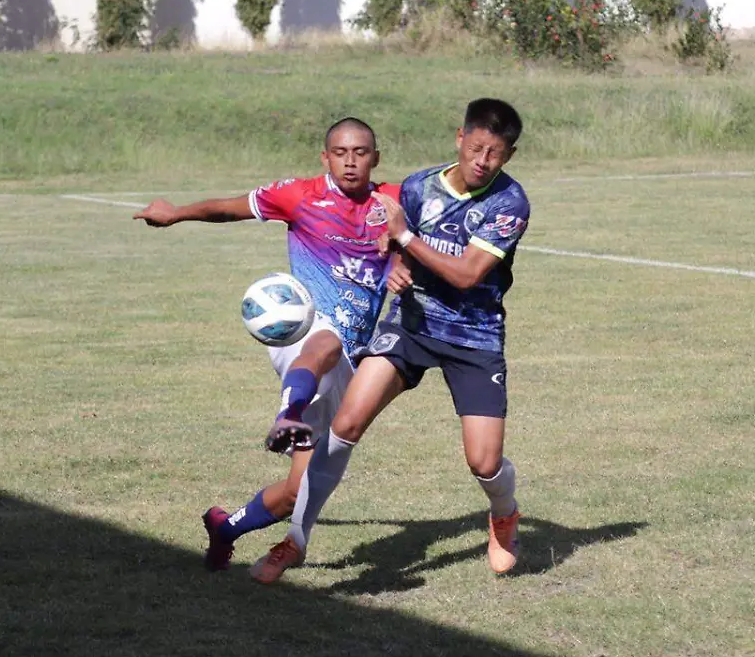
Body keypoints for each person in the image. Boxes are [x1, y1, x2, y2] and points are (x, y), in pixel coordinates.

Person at [249, 98, 530, 584]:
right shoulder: (420, 187)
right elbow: (392, 245)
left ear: (510, 155)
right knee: (346, 422)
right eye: (477, 147)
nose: (483, 161)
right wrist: (397, 256)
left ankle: (504, 514)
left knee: (483, 463)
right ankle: (294, 541)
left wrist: (405, 237)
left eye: (496, 153)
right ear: (459, 138)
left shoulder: (510, 203)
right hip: (411, 325)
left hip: (473, 336)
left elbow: (465, 275)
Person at [132, 118, 400, 571]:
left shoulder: (394, 200)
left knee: (299, 489)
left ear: (376, 157)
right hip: (298, 329)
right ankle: (286, 414)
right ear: (325, 157)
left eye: (360, 152)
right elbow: (229, 208)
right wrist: (176, 213)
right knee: (325, 342)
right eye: (340, 152)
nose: (350, 161)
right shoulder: (300, 195)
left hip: (353, 354)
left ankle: (225, 526)